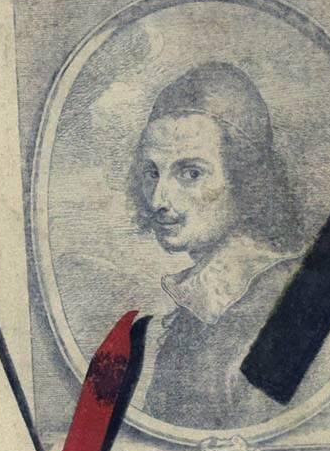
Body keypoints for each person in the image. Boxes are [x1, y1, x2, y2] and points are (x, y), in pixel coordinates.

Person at [128, 61, 320, 431]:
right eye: (153, 172)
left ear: (245, 179)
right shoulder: (202, 306)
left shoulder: (284, 308)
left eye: (191, 173)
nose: (158, 200)